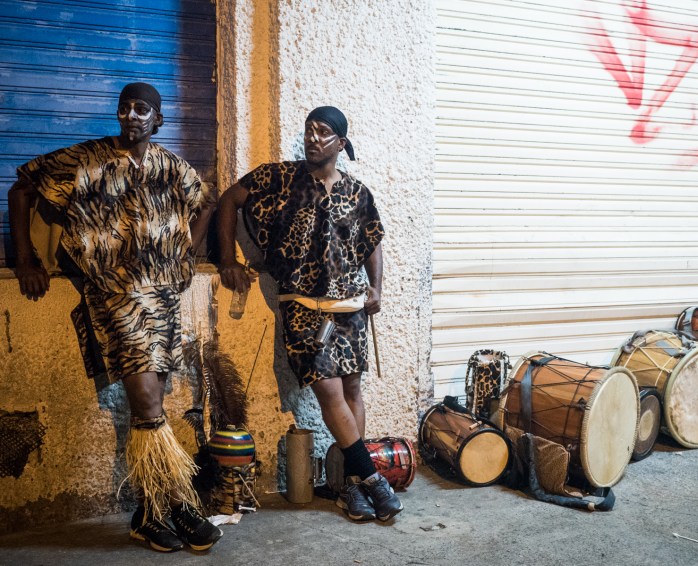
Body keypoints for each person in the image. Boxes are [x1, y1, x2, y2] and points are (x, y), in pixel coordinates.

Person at [8, 83, 222, 552]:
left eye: (142, 109)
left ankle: (151, 513)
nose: (131, 115)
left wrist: (186, 252)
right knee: (147, 406)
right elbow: (22, 189)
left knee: (154, 405)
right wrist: (25, 259)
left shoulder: (171, 166)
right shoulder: (85, 160)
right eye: (124, 108)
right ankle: (177, 503)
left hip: (164, 297)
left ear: (158, 119)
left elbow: (206, 201)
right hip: (116, 296)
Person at [217, 106, 403, 522]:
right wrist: (228, 258)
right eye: (309, 131)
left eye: (323, 132)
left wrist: (376, 288)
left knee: (352, 391)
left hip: (349, 310)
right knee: (329, 392)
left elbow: (373, 239)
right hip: (302, 308)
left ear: (341, 143)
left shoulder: (357, 193)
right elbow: (228, 200)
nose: (313, 138)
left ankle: (351, 486)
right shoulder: (279, 178)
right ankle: (374, 479)